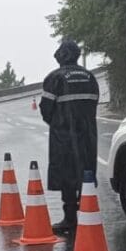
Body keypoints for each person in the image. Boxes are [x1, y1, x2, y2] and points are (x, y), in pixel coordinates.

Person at [40, 39, 100, 234]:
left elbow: (45, 109)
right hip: (88, 135)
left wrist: (58, 124)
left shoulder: (55, 78)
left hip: (63, 136)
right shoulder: (90, 77)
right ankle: (87, 213)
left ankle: (70, 218)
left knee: (67, 175)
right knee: (86, 172)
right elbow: (94, 104)